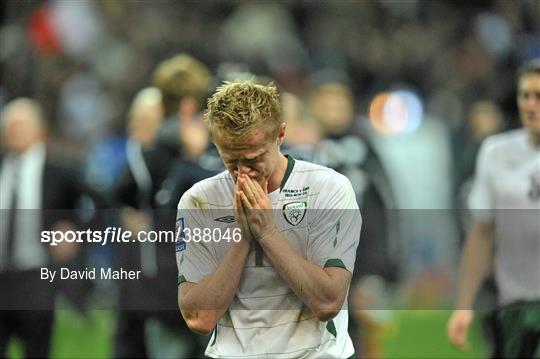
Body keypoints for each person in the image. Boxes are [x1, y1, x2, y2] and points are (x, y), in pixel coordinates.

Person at [176, 81, 362, 358]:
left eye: (253, 159)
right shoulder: (199, 201)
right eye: (231, 162)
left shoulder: (328, 189)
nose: (243, 174)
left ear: (281, 134)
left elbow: (327, 302)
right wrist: (242, 237)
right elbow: (199, 318)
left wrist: (267, 232)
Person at [447, 59, 540, 358]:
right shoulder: (495, 153)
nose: (530, 104)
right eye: (525, 95)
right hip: (511, 301)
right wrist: (464, 303)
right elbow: (482, 232)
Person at [0, 98, 101, 357]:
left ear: (38, 129)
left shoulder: (60, 169)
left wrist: (76, 233)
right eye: (9, 125)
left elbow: (101, 204)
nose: (14, 131)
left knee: (36, 347)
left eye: (21, 125)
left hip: (37, 275)